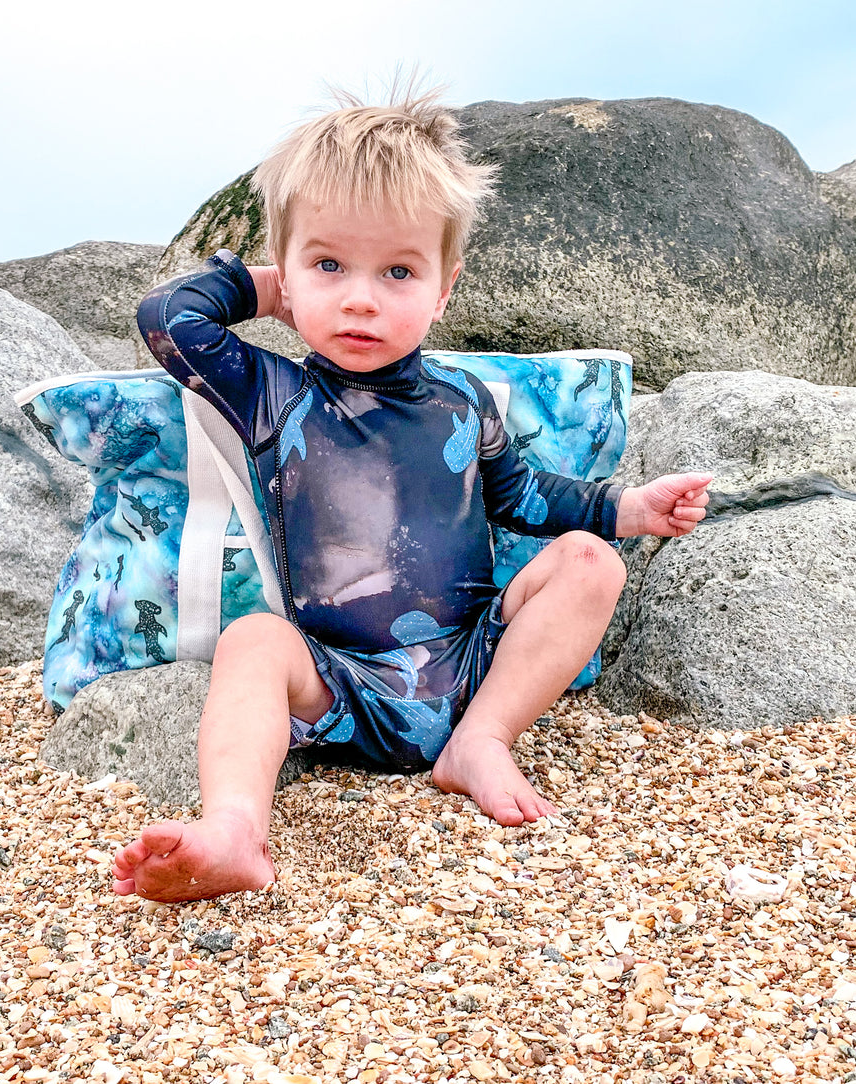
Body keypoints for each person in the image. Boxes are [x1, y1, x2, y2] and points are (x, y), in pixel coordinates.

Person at [113, 88, 711, 901]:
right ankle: (234, 828)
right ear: (289, 277)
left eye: (397, 271)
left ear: (443, 289)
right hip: (339, 680)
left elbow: (523, 497)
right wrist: (267, 285)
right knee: (254, 639)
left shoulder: (462, 402)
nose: (361, 297)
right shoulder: (272, 392)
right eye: (329, 265)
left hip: (471, 665)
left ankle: (482, 742)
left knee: (589, 563)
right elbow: (168, 319)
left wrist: (627, 509)